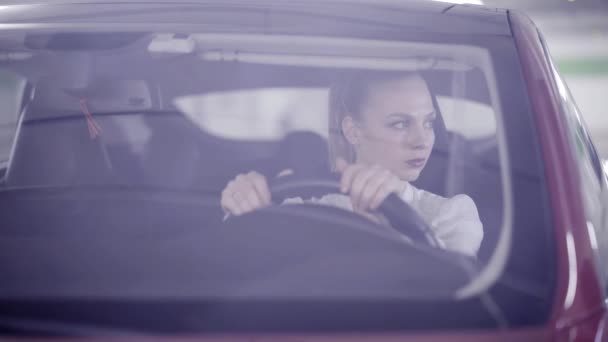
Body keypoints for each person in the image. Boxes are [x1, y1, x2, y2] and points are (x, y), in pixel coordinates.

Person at [220, 71, 483, 257]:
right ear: (353, 130)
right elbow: (242, 270)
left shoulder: (451, 213)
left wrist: (388, 231)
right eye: (400, 123)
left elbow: (451, 293)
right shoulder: (303, 210)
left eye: (428, 122)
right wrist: (245, 209)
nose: (422, 140)